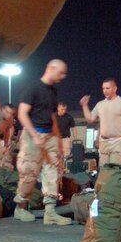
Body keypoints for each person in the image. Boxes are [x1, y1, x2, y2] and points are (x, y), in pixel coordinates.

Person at [16, 60, 73, 225]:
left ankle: (50, 212)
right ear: (50, 69)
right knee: (28, 173)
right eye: (61, 72)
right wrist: (34, 136)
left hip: (50, 137)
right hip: (32, 135)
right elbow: (22, 113)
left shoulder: (53, 91)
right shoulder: (33, 88)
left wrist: (58, 140)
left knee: (52, 173)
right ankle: (21, 207)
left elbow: (52, 117)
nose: (63, 76)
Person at [80, 78, 121, 167]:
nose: (105, 91)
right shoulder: (100, 104)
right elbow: (90, 119)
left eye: (108, 88)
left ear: (115, 88)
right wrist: (84, 105)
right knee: (104, 170)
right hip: (104, 143)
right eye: (103, 88)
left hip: (118, 142)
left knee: (116, 170)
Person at [55, 101, 75, 173]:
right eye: (62, 109)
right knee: (56, 156)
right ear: (58, 108)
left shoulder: (69, 117)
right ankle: (56, 171)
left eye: (65, 109)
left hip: (66, 139)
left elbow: (73, 128)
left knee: (66, 156)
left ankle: (65, 171)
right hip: (56, 140)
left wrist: (75, 139)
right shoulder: (53, 117)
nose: (64, 111)